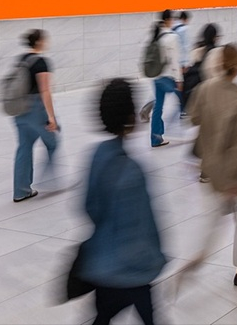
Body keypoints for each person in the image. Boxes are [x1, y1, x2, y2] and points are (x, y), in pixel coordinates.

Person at [79, 79, 165, 325]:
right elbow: (143, 225)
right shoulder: (132, 170)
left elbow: (89, 207)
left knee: (104, 316)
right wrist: (155, 259)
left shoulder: (97, 155)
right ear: (130, 116)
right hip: (131, 271)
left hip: (100, 264)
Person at [186, 44, 237, 287]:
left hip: (208, 168)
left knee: (212, 219)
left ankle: (198, 257)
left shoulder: (204, 89)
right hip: (233, 173)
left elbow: (193, 118)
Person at [13, 29, 59, 202]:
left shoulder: (21, 60)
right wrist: (51, 117)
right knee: (52, 143)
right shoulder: (41, 62)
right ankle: (49, 182)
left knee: (24, 147)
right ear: (39, 42)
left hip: (19, 108)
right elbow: (44, 91)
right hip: (35, 108)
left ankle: (20, 191)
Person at [150, 10, 183, 148]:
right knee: (183, 102)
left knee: (158, 107)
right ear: (169, 20)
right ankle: (174, 131)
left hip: (156, 76)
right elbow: (174, 60)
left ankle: (155, 138)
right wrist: (179, 79)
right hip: (168, 76)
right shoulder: (172, 37)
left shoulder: (157, 35)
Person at [181, 23, 219, 116]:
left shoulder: (198, 49)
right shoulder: (216, 52)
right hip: (210, 90)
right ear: (214, 37)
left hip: (197, 89)